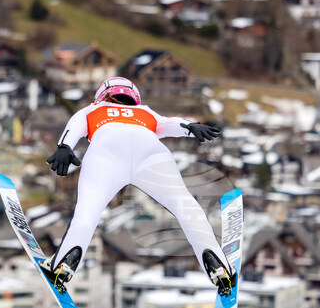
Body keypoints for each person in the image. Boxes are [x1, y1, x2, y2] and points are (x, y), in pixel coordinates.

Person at [43, 77, 231, 295]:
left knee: (88, 211)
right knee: (186, 206)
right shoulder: (145, 112)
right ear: (134, 97)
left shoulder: (94, 109)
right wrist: (190, 127)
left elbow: (75, 125)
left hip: (107, 151)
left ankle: (63, 265)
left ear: (102, 94)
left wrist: (64, 146)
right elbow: (169, 124)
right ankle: (218, 265)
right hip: (150, 152)